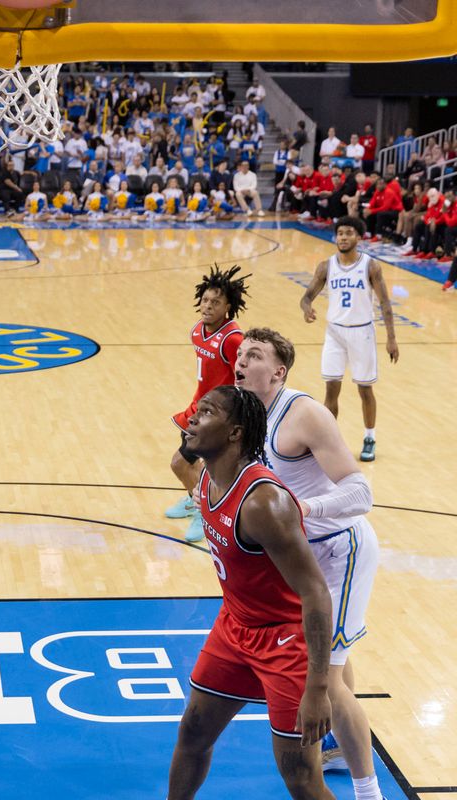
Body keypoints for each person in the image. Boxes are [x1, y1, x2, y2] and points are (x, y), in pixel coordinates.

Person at [234, 328, 384, 799]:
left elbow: (362, 494)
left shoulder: (303, 414)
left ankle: (368, 793)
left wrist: (303, 510)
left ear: (278, 371)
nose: (240, 361)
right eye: (239, 353)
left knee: (327, 676)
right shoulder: (245, 413)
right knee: (334, 657)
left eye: (253, 355)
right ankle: (342, 746)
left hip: (341, 550)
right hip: (305, 556)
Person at [167, 385, 334, 800]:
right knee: (192, 736)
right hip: (234, 627)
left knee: (300, 778)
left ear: (235, 433)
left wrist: (317, 688)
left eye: (205, 413)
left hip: (285, 639)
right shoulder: (206, 476)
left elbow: (315, 592)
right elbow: (178, 462)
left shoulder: (265, 504)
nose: (191, 418)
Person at [299, 216, 399, 462]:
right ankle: (326, 439)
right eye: (340, 233)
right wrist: (306, 307)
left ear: (359, 237)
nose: (343, 237)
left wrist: (391, 338)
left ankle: (370, 437)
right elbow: (306, 296)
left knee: (365, 389)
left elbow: (385, 303)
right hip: (335, 332)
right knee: (331, 388)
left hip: (362, 332)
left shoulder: (370, 266)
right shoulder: (326, 266)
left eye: (348, 233)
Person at [166, 265, 250, 542]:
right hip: (199, 408)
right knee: (193, 465)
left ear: (228, 306)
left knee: (180, 463)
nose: (208, 306)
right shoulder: (197, 331)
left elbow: (245, 378)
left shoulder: (233, 339)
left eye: (216, 302)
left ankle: (205, 512)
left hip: (221, 415)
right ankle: (196, 500)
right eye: (205, 300)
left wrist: (236, 417)